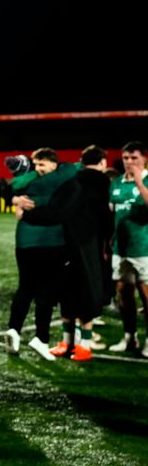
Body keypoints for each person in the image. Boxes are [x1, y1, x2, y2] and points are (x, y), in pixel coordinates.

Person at [20, 145, 112, 361]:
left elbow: (56, 212)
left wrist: (27, 215)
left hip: (77, 245)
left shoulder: (76, 184)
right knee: (75, 291)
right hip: (82, 245)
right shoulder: (96, 183)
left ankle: (78, 343)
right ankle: (75, 342)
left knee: (76, 291)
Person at [5, 148, 75, 361]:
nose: (38, 169)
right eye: (36, 165)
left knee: (25, 287)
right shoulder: (64, 176)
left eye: (41, 164)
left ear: (53, 164)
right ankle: (41, 339)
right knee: (46, 291)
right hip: (51, 241)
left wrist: (16, 200)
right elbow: (73, 169)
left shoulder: (26, 180)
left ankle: (14, 330)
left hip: (25, 241)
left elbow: (10, 187)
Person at [107, 140, 148, 356]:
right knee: (124, 294)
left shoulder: (147, 180)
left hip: (145, 250)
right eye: (126, 158)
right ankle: (130, 337)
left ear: (144, 159)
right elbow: (113, 214)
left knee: (146, 296)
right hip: (121, 250)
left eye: (134, 158)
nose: (130, 162)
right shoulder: (116, 184)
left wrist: (140, 183)